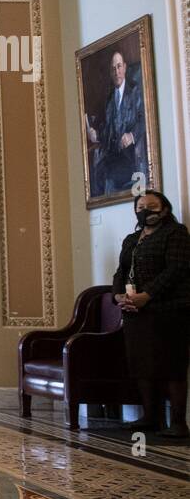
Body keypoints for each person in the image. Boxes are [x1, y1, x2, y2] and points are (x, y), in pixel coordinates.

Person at [112, 190, 189, 437]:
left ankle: (177, 422)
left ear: (164, 209)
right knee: (142, 364)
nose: (146, 211)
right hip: (135, 312)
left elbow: (176, 269)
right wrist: (118, 296)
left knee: (171, 364)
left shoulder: (175, 233)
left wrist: (147, 295)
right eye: (141, 206)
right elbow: (120, 271)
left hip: (168, 310)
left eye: (152, 206)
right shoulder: (131, 239)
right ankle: (150, 416)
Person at [87, 50, 145, 196]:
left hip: (131, 155)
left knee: (109, 177)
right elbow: (106, 129)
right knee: (97, 172)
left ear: (124, 67)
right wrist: (96, 134)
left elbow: (144, 119)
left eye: (119, 66)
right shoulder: (109, 98)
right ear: (110, 72)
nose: (117, 71)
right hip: (112, 155)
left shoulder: (135, 91)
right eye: (113, 68)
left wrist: (132, 135)